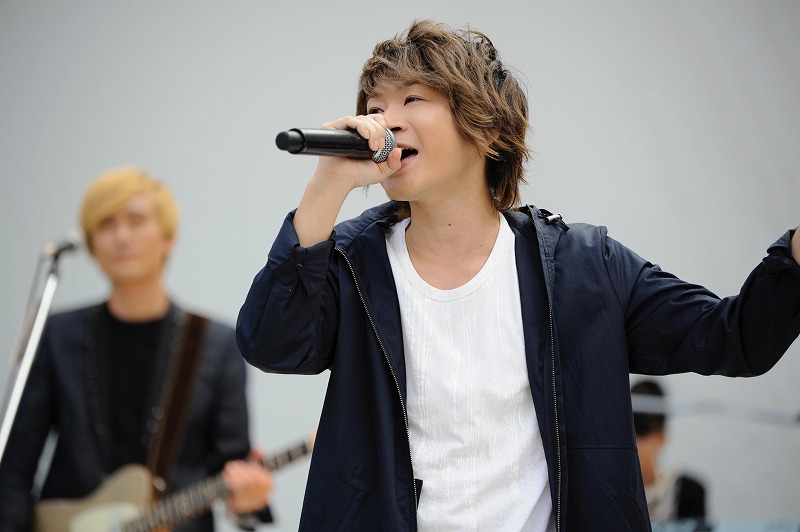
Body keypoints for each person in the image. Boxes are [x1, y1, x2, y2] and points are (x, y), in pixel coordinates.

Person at [235, 19, 800, 531]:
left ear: (487, 130)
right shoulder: (352, 262)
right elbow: (271, 344)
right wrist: (327, 187)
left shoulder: (584, 267)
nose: (385, 120)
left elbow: (735, 338)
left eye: (413, 98)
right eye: (375, 105)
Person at [0, 167, 274, 532]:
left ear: (168, 238)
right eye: (106, 224)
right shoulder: (55, 335)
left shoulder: (217, 343)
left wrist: (248, 503)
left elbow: (232, 468)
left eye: (136, 221)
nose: (122, 237)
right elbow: (14, 468)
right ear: (92, 245)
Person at [631, 379, 706, 523]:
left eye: (643, 432)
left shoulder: (687, 492)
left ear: (661, 436)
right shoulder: (605, 491)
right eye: (629, 434)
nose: (635, 443)